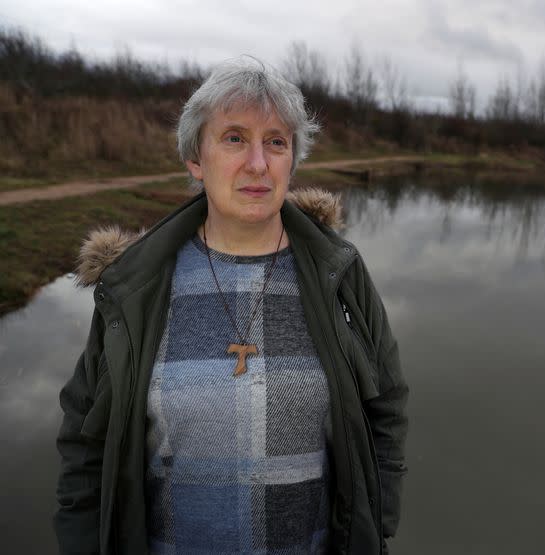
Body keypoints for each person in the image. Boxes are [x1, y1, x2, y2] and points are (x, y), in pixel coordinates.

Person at [54, 57, 408, 555]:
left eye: (277, 142)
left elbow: (385, 407)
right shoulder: (136, 286)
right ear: (196, 159)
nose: (258, 164)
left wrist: (379, 520)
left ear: (292, 160)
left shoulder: (341, 274)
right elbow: (85, 434)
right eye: (235, 138)